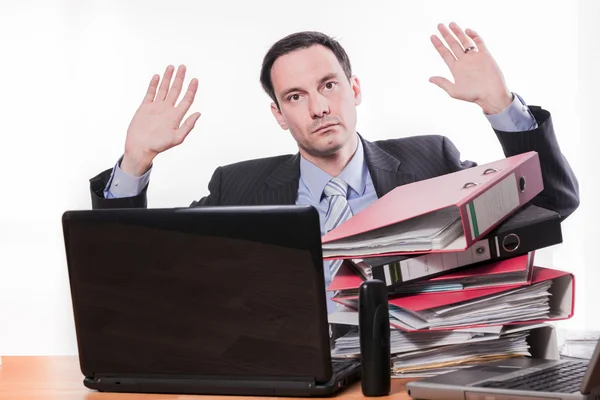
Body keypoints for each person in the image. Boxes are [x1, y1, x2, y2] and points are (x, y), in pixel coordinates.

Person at [89, 23, 579, 313]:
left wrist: (500, 106)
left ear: (355, 88)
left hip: (410, 371)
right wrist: (136, 162)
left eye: (329, 85)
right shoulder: (237, 186)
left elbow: (551, 204)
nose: (319, 107)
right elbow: (137, 265)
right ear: (279, 115)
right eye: (296, 97)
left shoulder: (431, 163)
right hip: (288, 376)